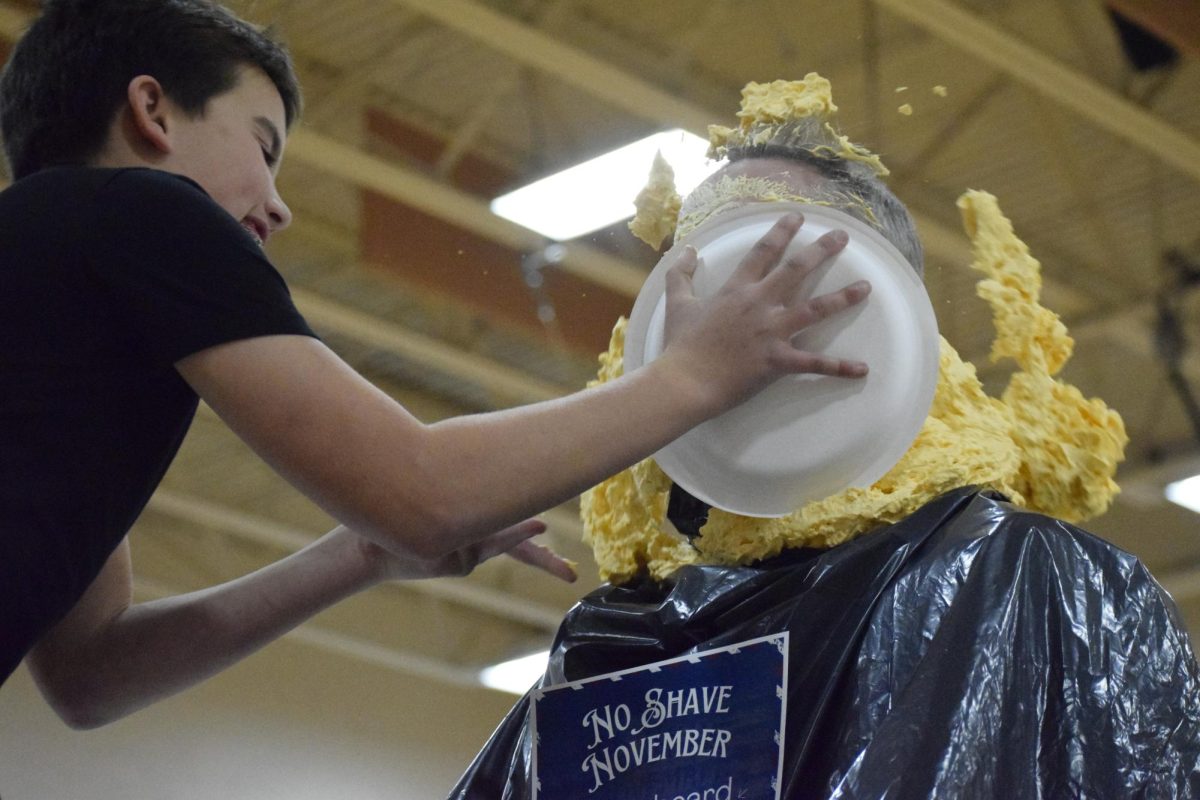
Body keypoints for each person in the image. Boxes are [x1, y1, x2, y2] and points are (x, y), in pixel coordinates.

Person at [0, 1, 873, 729]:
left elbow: (91, 672)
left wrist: (364, 556)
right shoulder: (144, 211)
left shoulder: (58, 295)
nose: (278, 206)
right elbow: (421, 492)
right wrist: (693, 376)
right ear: (151, 112)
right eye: (263, 147)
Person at [451, 82, 1200, 799]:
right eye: (708, 283)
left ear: (881, 315)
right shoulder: (612, 640)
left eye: (788, 270)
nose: (733, 320)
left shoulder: (1025, 579)